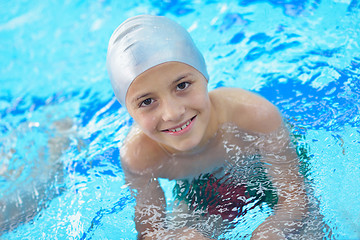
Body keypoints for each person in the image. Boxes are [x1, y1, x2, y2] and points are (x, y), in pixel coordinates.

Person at [107, 15, 308, 239]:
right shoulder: (139, 156)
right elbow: (150, 232)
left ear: (205, 75)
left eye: (182, 85)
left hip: (268, 175)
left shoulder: (254, 117)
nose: (173, 113)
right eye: (146, 102)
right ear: (128, 111)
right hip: (201, 193)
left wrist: (277, 226)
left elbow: (295, 199)